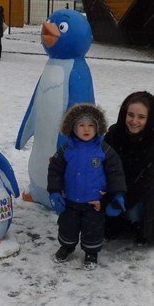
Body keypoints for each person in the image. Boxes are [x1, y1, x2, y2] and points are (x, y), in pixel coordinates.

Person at [47, 103, 126, 269]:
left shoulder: (104, 150)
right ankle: (66, 246)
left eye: (91, 125)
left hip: (94, 202)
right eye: (81, 125)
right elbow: (55, 170)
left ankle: (91, 252)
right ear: (72, 127)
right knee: (67, 226)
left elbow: (115, 173)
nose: (86, 129)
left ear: (98, 128)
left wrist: (117, 195)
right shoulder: (66, 149)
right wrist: (55, 191)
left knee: (93, 229)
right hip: (70, 200)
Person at [104, 91, 154, 246]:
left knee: (132, 214)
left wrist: (124, 201)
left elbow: (149, 179)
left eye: (141, 117)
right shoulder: (114, 134)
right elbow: (102, 165)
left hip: (143, 191)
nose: (134, 121)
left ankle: (137, 222)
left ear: (149, 118)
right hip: (116, 186)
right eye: (130, 115)